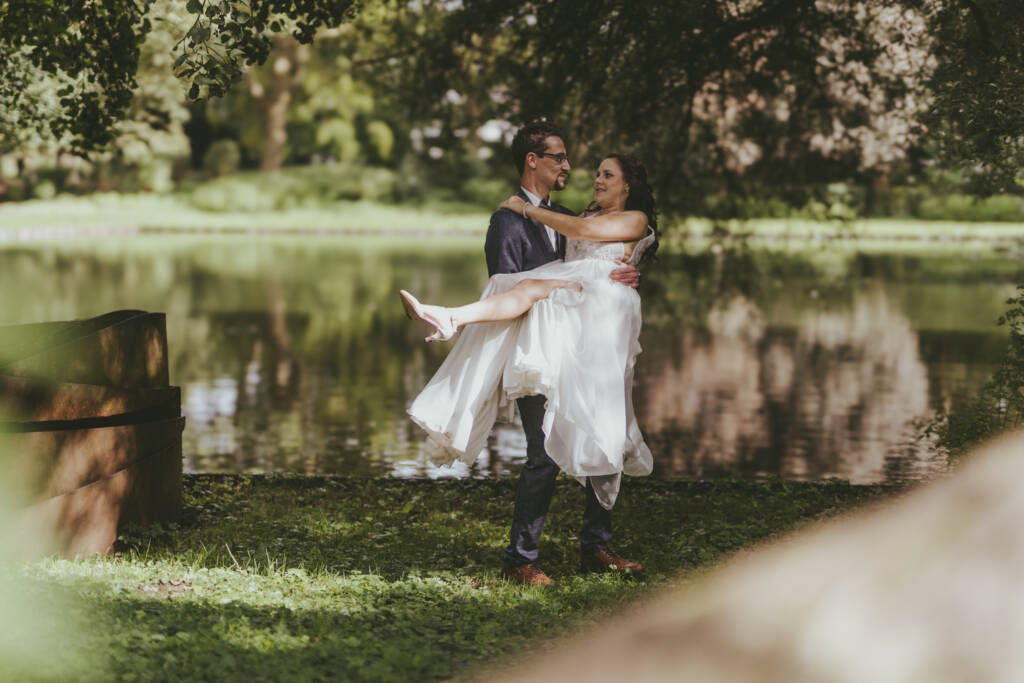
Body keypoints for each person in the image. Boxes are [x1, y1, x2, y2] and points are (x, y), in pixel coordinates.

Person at [405, 121, 656, 586]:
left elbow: (599, 253)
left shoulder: (569, 215)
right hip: (535, 346)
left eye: (602, 172)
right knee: (543, 452)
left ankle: (596, 547)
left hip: (590, 342)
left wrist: (626, 274)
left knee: (602, 435)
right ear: (532, 160)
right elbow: (506, 283)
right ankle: (520, 559)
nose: (571, 166)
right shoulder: (506, 220)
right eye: (559, 157)